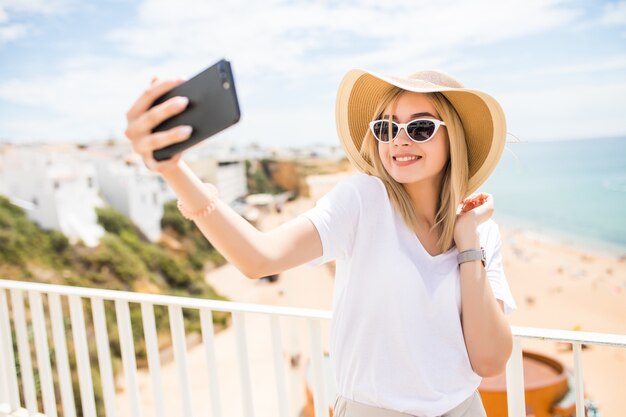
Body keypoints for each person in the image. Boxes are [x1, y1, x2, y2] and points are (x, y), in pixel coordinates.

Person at [124, 68, 518, 417]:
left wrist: (468, 245)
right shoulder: (363, 201)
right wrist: (172, 169)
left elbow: (489, 359)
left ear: (454, 140)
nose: (399, 139)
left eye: (419, 128)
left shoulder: (479, 231)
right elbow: (259, 258)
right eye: (385, 127)